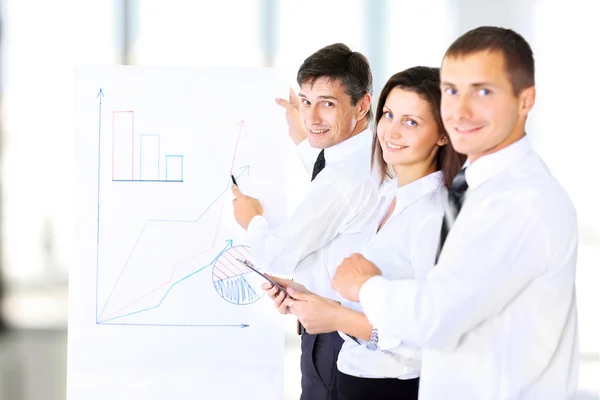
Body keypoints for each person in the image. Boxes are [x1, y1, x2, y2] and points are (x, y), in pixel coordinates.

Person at [332, 26, 579, 399]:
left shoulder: (520, 201)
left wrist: (364, 286)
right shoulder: (472, 189)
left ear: (525, 100)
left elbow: (435, 320)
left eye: (482, 91)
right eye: (451, 90)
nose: (460, 110)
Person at [264, 66, 465, 400]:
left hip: (391, 387)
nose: (392, 132)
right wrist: (311, 298)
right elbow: (376, 302)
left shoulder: (432, 216)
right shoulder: (389, 196)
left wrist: (335, 317)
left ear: (443, 134)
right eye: (388, 115)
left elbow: (424, 336)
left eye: (411, 122)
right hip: (354, 374)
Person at [231, 43, 381, 400]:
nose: (312, 116)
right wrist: (303, 140)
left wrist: (252, 219)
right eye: (306, 101)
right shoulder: (371, 154)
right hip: (350, 328)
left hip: (334, 339)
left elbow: (274, 257)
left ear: (362, 105)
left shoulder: (341, 180)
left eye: (327, 103)